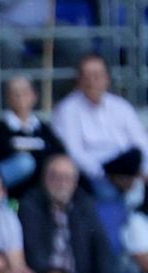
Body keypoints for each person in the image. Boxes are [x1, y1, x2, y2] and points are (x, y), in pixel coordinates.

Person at [50, 54, 148, 201]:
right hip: (96, 174)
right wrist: (108, 176)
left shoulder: (121, 106)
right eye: (87, 76)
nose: (92, 81)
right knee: (108, 193)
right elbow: (74, 152)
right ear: (79, 80)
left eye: (97, 75)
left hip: (130, 169)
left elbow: (141, 142)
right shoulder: (67, 110)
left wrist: (142, 171)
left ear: (107, 79)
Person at [19, 156, 117, 273]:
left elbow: (101, 245)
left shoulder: (84, 205)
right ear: (44, 178)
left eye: (67, 178)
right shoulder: (31, 205)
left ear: (75, 182)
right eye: (55, 177)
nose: (61, 183)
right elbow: (33, 251)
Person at [0, 76, 63, 194]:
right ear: (8, 98)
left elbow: (57, 153)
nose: (20, 97)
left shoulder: (44, 128)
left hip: (40, 187)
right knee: (25, 163)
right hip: (10, 189)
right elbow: (1, 154)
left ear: (34, 96)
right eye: (15, 93)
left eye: (24, 92)